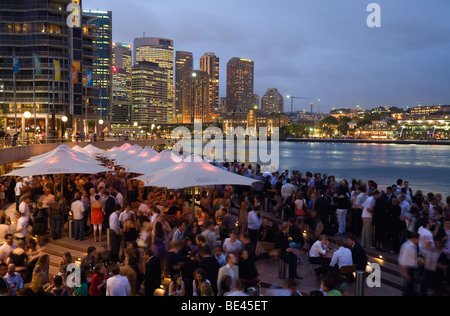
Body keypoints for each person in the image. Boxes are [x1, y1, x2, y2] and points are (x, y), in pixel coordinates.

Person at [398, 232, 420, 296]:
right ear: (414, 238)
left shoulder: (413, 246)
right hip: (408, 269)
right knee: (409, 290)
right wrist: (405, 272)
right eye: (418, 238)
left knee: (410, 289)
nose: (419, 240)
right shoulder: (407, 246)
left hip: (412, 269)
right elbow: (402, 260)